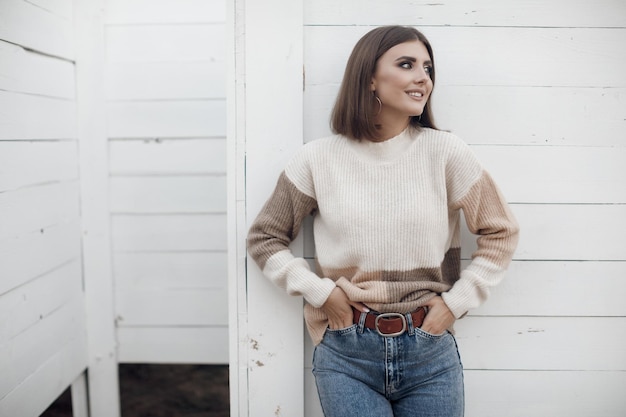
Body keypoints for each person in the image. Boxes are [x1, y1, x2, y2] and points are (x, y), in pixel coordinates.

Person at [247, 25, 519, 417]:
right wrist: (323, 294)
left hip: (430, 349)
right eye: (407, 64)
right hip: (346, 351)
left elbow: (500, 232)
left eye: (427, 68)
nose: (422, 78)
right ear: (369, 77)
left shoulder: (445, 152)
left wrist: (454, 304)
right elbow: (264, 237)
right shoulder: (316, 159)